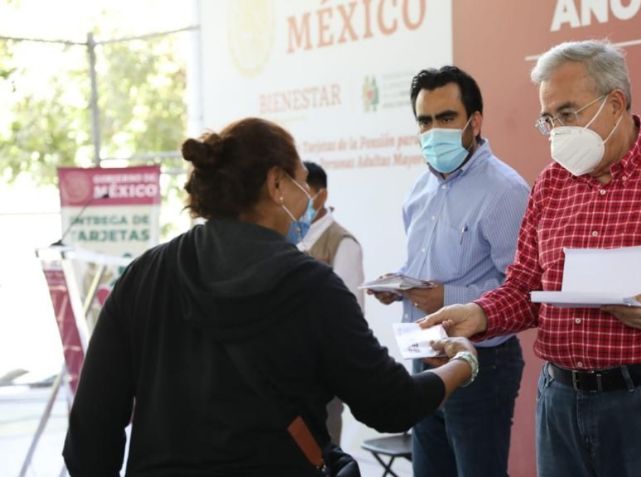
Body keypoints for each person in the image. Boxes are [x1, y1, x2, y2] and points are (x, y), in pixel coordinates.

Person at [421, 40, 641, 477]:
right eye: (549, 118)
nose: (557, 131)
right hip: (562, 401)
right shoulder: (551, 183)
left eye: (568, 113)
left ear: (615, 103)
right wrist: (478, 314)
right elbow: (525, 288)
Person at [62, 117, 479, 477]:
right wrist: (463, 362)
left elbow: (92, 423)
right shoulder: (313, 287)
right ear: (276, 183)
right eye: (301, 183)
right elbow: (390, 405)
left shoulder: (145, 275)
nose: (307, 201)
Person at [369, 66, 529, 477]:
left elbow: (522, 287)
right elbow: (425, 266)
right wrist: (398, 284)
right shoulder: (420, 189)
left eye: (446, 118)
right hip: (424, 355)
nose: (433, 130)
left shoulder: (506, 190)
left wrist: (449, 298)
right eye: (425, 120)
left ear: (474, 122)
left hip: (482, 363)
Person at [298, 161, 365, 446]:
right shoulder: (288, 238)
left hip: (322, 379)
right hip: (288, 379)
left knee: (322, 455)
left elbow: (349, 318)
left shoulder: (342, 243)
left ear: (320, 196)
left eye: (302, 191)